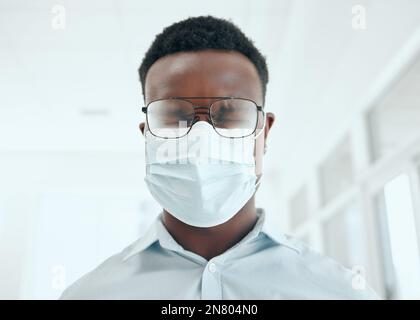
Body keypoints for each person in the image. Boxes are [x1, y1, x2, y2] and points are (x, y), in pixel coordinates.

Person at [60, 16, 378, 299]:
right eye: (174, 114)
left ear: (263, 132)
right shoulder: (89, 295)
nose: (202, 140)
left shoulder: (338, 292)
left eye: (229, 114)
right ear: (147, 134)